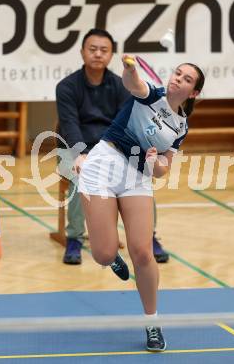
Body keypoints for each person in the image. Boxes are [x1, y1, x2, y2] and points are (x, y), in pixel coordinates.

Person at [78, 55, 205, 351]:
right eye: (177, 73)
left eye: (187, 79)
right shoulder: (152, 95)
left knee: (143, 252)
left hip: (137, 174)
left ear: (194, 93)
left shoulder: (181, 127)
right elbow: (132, 83)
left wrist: (155, 162)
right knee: (102, 253)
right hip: (104, 164)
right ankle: (111, 256)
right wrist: (130, 68)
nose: (178, 79)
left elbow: (163, 168)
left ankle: (152, 323)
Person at [56, 28, 169, 269]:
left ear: (110, 55)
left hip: (112, 148)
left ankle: (148, 236)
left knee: (140, 177)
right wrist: (82, 155)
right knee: (81, 177)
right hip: (75, 148)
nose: (98, 54)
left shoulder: (121, 85)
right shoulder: (66, 87)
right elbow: (69, 125)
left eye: (104, 50)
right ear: (82, 52)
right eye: (92, 49)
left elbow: (128, 124)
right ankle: (74, 238)